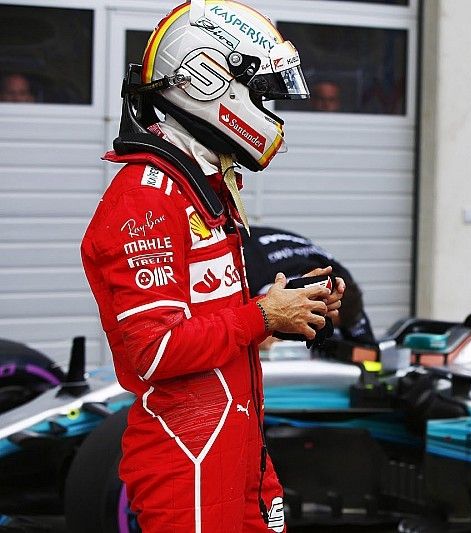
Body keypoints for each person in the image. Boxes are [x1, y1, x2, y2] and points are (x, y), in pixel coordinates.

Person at [80, 1, 344, 531]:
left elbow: (208, 323)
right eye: (263, 92)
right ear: (206, 78)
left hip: (237, 442)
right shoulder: (146, 198)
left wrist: (291, 310)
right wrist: (263, 316)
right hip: (188, 458)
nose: (271, 111)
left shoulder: (202, 187)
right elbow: (154, 352)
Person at [242, 226, 376, 346]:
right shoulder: (251, 274)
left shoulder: (341, 283)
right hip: (236, 241)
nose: (318, 323)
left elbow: (367, 346)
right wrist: (260, 333)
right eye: (317, 316)